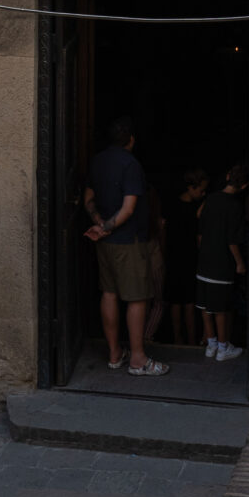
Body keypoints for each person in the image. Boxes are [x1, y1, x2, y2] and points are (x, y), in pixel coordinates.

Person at [84, 114, 168, 378]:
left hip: (104, 243)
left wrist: (99, 223)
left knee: (108, 293)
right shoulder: (131, 164)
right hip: (128, 242)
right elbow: (129, 208)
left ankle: (114, 354)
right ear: (131, 140)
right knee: (137, 298)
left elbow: (88, 199)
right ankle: (138, 359)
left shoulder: (97, 161)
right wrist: (108, 226)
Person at [195, 162, 248, 362]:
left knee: (206, 308)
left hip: (205, 260)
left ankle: (211, 344)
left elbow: (199, 215)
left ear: (227, 176)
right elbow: (232, 240)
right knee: (221, 309)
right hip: (221, 263)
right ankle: (223, 348)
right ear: (244, 186)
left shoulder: (211, 198)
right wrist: (240, 263)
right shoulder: (235, 206)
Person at [162, 169, 210, 350]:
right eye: (201, 190)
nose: (203, 193)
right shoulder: (194, 210)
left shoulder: (173, 205)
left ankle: (179, 338)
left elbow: (163, 230)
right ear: (191, 188)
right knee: (188, 301)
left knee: (177, 301)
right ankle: (188, 340)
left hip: (175, 256)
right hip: (187, 257)